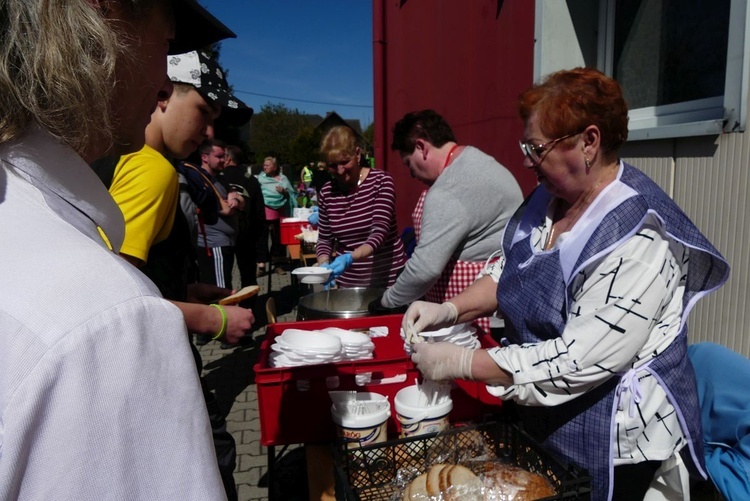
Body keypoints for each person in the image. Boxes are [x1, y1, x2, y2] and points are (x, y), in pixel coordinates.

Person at [403, 68, 729, 500]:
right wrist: (450, 309)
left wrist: (461, 363)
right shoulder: (549, 196)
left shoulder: (640, 238)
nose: (525, 160)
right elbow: (511, 268)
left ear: (589, 142)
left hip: (617, 433)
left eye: (536, 148)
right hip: (544, 412)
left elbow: (578, 361)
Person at [0, 0, 234, 499]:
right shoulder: (113, 322)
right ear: (105, 21)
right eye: (166, 44)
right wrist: (209, 318)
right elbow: (125, 285)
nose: (162, 84)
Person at [93, 48, 255, 500]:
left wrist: (190, 288)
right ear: (163, 95)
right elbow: (114, 301)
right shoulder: (153, 170)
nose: (207, 134)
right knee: (213, 455)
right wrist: (214, 320)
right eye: (202, 112)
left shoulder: (122, 157)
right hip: (150, 366)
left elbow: (130, 272)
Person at [370, 110, 523, 333]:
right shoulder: (479, 160)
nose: (412, 174)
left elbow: (425, 269)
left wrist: (387, 301)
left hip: (477, 317)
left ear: (421, 147)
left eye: (408, 163)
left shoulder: (449, 189)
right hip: (505, 301)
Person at [316, 126, 407, 288]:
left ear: (357, 154)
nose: (340, 170)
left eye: (344, 162)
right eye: (332, 165)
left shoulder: (380, 182)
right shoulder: (326, 193)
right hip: (348, 283)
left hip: (389, 279)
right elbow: (324, 239)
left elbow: (379, 231)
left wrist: (351, 257)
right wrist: (324, 265)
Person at [221, 145, 265, 291]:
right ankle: (250, 306)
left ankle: (226, 307)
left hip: (223, 234)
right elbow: (259, 213)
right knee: (248, 276)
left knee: (223, 277)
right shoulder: (251, 180)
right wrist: (261, 247)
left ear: (228, 158)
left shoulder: (218, 178)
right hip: (247, 233)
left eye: (223, 156)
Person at [256, 156, 297, 275]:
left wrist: (284, 192)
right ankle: (261, 265)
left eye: (267, 165)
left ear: (274, 167)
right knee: (262, 239)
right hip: (264, 214)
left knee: (278, 240)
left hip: (279, 214)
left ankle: (278, 265)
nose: (265, 167)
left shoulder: (283, 178)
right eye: (264, 165)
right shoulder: (260, 179)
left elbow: (291, 193)